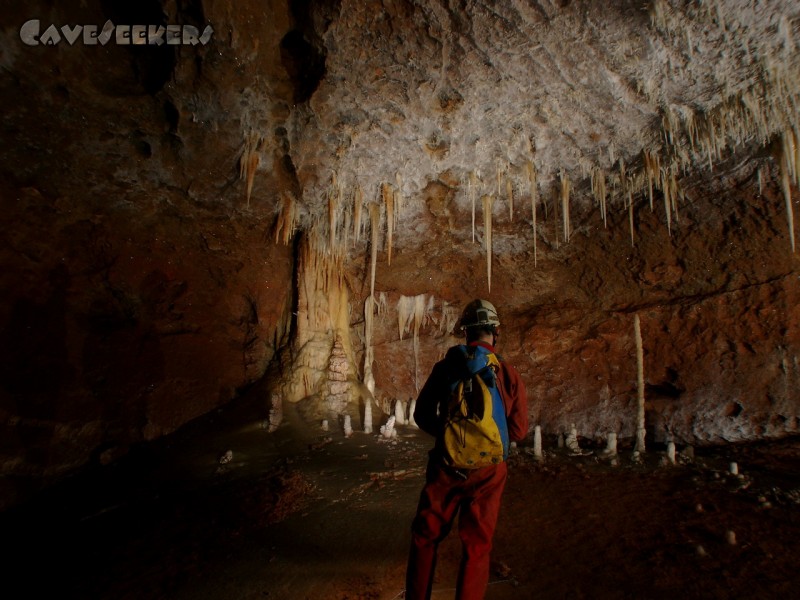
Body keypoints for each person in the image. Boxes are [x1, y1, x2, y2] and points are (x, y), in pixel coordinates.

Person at [405, 299, 529, 600]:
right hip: (488, 473)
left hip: (446, 468)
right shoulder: (508, 374)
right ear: (495, 332)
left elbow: (421, 415)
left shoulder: (446, 367)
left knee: (425, 538)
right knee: (477, 548)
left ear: (466, 333)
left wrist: (449, 438)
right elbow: (518, 431)